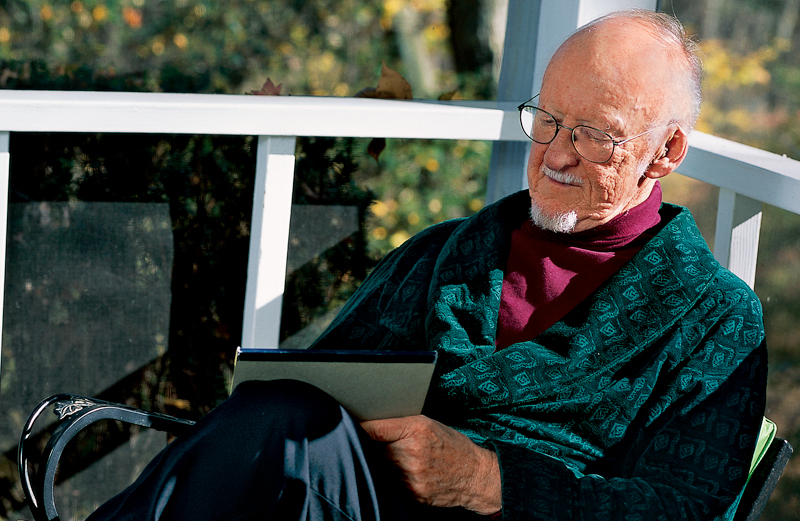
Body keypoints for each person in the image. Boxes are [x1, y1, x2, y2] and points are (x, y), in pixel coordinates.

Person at [87, 8, 767, 521]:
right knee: (280, 418)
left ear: (667, 151)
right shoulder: (445, 255)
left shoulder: (714, 320)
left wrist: (491, 478)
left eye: (594, 134)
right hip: (355, 495)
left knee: (280, 435)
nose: (556, 154)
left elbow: (683, 507)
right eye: (549, 120)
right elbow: (322, 383)